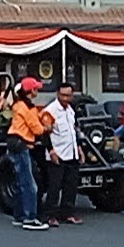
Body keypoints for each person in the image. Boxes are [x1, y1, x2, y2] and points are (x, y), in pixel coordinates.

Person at [7, 77, 49, 231]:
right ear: (31, 91)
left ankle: (18, 216)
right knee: (29, 184)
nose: (38, 90)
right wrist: (47, 128)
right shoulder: (27, 107)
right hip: (21, 143)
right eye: (36, 88)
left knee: (20, 181)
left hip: (14, 142)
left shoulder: (19, 105)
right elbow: (37, 129)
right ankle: (30, 218)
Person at [40, 82, 83, 227]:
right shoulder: (50, 111)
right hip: (57, 153)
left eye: (68, 95)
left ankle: (68, 213)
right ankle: (50, 215)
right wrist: (51, 150)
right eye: (63, 95)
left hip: (71, 153)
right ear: (57, 94)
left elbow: (73, 131)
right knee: (54, 186)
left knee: (71, 186)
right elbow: (45, 134)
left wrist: (79, 149)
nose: (65, 98)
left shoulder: (71, 110)